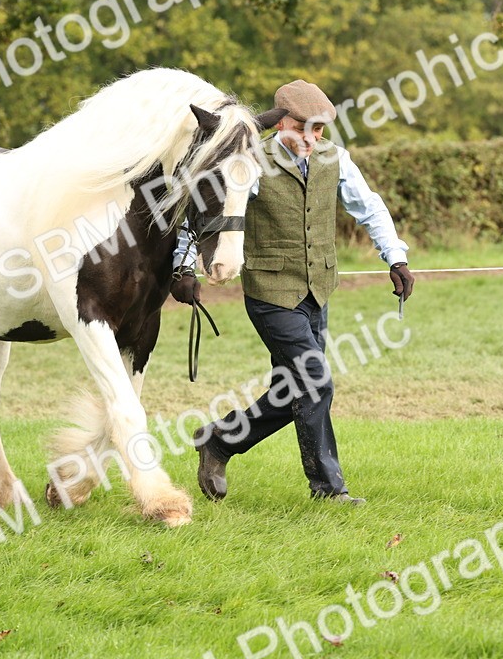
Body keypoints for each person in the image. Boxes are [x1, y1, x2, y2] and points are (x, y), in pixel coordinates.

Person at [171, 79, 414, 505]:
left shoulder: (334, 159)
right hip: (270, 293)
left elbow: (370, 206)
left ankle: (220, 442)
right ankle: (329, 489)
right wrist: (184, 264)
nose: (309, 139)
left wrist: (395, 258)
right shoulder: (249, 161)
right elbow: (206, 209)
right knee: (316, 382)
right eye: (301, 128)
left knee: (295, 390)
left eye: (318, 130)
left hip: (317, 290)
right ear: (279, 121)